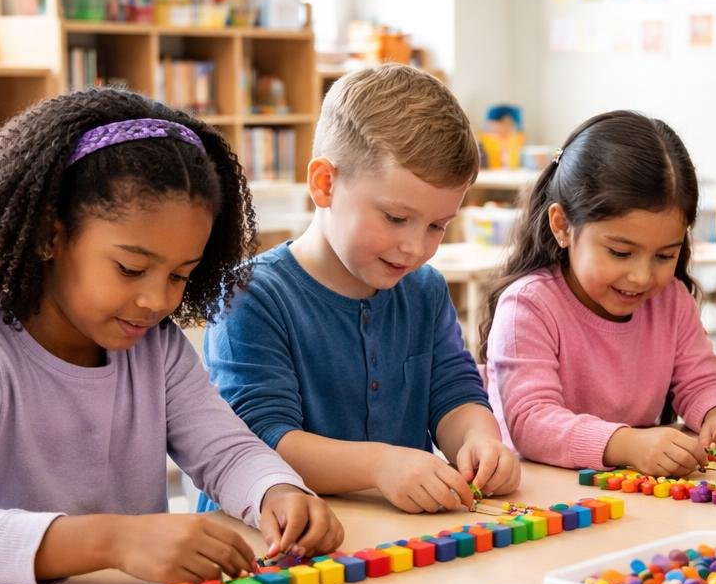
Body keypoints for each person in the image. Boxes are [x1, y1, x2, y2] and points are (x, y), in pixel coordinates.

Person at [0, 88, 342, 584]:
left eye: (180, 275)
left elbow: (227, 451)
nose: (157, 301)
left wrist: (278, 491)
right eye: (131, 268)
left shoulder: (157, 348)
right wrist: (115, 541)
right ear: (50, 235)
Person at [204, 64, 520, 513]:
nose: (414, 248)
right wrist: (378, 466)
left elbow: (455, 395)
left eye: (437, 226)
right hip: (267, 549)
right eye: (395, 218)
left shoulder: (424, 290)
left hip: (386, 543)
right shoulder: (252, 295)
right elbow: (258, 443)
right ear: (325, 183)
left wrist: (480, 441)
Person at [482, 111, 716, 475]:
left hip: (629, 499)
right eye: (620, 253)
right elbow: (531, 422)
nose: (642, 277)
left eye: (665, 255)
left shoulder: (671, 301)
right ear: (563, 226)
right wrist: (627, 444)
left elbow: (701, 379)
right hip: (539, 497)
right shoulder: (529, 304)